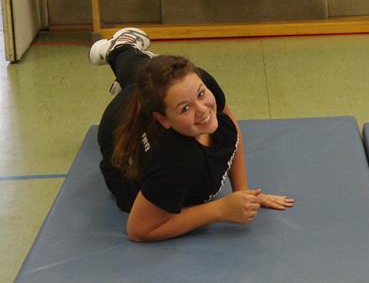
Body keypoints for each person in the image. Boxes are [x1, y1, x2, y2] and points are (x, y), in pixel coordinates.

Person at [91, 28, 294, 242]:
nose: (203, 109)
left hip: (157, 101)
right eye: (185, 108)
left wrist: (243, 194)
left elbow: (232, 127)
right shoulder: (172, 163)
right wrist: (219, 210)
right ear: (163, 119)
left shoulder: (198, 83)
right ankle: (124, 56)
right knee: (136, 85)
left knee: (142, 76)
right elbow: (138, 230)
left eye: (201, 94)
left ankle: (127, 52)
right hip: (115, 126)